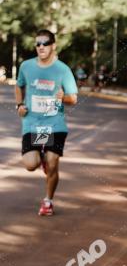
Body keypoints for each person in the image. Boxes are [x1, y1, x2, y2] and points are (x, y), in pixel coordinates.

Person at [15, 29, 78, 216]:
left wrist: (63, 97)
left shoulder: (62, 69)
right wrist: (19, 104)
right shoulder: (26, 66)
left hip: (54, 123)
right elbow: (19, 86)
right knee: (30, 164)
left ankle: (48, 201)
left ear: (53, 46)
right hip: (32, 123)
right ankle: (40, 158)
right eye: (38, 43)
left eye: (45, 43)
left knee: (53, 162)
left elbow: (73, 99)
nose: (41, 47)